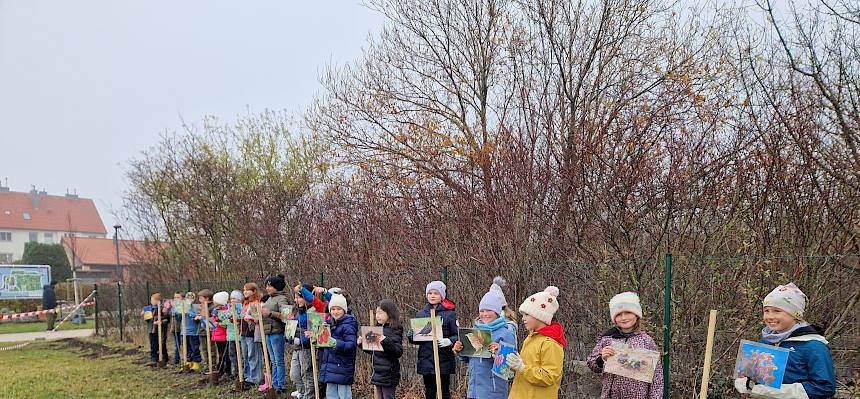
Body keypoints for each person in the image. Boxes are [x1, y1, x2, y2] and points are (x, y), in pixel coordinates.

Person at [734, 283, 836, 398]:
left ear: (795, 315)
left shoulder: (814, 346)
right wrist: (744, 382)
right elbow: (752, 376)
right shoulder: (766, 342)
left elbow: (825, 387)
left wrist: (772, 391)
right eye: (766, 311)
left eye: (777, 311)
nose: (770, 316)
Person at [586, 292, 663, 399]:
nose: (623, 317)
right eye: (618, 314)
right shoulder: (608, 339)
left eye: (628, 312)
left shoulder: (646, 341)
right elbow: (591, 363)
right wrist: (601, 359)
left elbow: (657, 376)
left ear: (636, 315)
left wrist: (655, 397)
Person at [452, 277, 516, 399]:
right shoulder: (475, 330)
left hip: (494, 392)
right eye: (482, 311)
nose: (485, 314)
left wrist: (499, 351)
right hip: (474, 390)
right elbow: (469, 359)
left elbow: (510, 369)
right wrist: (460, 350)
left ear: (497, 312)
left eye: (489, 310)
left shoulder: (506, 333)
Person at [507, 286, 566, 399]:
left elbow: (549, 377)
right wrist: (511, 363)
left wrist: (522, 368)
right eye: (522, 315)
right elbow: (524, 368)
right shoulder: (531, 338)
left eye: (527, 314)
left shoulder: (550, 343)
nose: (523, 318)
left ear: (539, 316)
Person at [407, 281, 459, 399]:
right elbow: (418, 340)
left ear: (442, 296)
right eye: (430, 293)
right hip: (426, 359)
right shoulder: (421, 314)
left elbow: (457, 335)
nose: (432, 296)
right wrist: (412, 336)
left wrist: (449, 341)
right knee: (430, 392)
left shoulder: (450, 315)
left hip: (443, 359)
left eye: (436, 293)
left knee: (444, 391)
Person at [313, 293, 357, 399]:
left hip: (343, 367)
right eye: (333, 309)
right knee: (331, 395)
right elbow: (326, 344)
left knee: (344, 395)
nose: (335, 312)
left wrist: (336, 343)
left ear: (344, 310)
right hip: (330, 367)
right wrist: (318, 342)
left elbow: (351, 345)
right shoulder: (327, 324)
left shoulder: (349, 325)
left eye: (339, 309)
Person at [358, 299, 403, 399]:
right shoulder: (376, 329)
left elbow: (398, 351)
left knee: (388, 396)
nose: (377, 316)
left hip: (389, 373)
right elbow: (373, 351)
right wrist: (361, 344)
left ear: (389, 314)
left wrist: (384, 340)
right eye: (376, 313)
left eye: (381, 313)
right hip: (378, 372)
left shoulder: (395, 329)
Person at [261, 274, 290, 394]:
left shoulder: (282, 299)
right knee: (273, 361)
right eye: (266, 286)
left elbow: (286, 316)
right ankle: (274, 383)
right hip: (267, 332)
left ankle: (281, 385)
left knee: (279, 361)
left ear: (276, 287)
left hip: (277, 332)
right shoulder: (269, 298)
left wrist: (270, 313)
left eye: (270, 286)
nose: (267, 288)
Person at [290, 283, 319, 399]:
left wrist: (302, 340)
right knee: (294, 374)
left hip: (306, 348)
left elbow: (314, 332)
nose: (296, 300)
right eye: (295, 297)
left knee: (306, 373)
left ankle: (309, 395)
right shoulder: (297, 311)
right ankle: (301, 391)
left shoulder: (313, 312)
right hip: (296, 347)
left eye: (299, 297)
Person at [241, 283, 263, 390]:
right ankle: (247, 376)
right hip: (243, 332)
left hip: (252, 333)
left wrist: (249, 317)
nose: (245, 292)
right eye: (244, 290)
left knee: (253, 356)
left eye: (247, 290)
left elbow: (256, 319)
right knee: (245, 356)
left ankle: (255, 378)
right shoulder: (244, 303)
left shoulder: (256, 303)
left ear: (254, 291)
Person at [143, 292, 170, 366]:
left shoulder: (163, 309)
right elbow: (148, 320)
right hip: (152, 330)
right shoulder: (149, 309)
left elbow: (167, 319)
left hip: (161, 331)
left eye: (152, 300)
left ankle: (164, 358)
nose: (151, 301)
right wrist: (145, 316)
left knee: (162, 344)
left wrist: (161, 321)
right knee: (153, 345)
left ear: (157, 301)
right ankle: (154, 359)